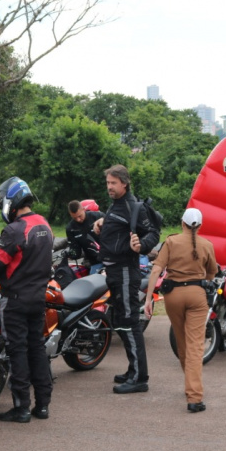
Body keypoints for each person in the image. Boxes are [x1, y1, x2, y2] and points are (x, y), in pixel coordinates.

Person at [0, 177, 54, 423]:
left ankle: (21, 407)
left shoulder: (14, 230)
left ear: (11, 201)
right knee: (37, 349)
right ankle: (42, 405)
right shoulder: (44, 223)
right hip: (38, 298)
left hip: (15, 300)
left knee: (17, 352)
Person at [93, 165, 160, 394]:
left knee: (129, 322)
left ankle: (140, 378)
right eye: (108, 183)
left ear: (124, 183)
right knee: (120, 322)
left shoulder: (133, 206)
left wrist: (142, 246)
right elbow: (118, 229)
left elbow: (153, 233)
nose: (109, 187)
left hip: (125, 271)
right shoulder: (116, 204)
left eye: (113, 183)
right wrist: (101, 224)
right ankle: (133, 370)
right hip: (112, 270)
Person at [144, 208, 216, 412]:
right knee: (195, 346)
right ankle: (194, 396)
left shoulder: (171, 241)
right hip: (197, 295)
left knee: (182, 341)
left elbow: (156, 270)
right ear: (200, 226)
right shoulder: (207, 245)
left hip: (173, 296)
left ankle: (189, 383)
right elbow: (211, 273)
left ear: (182, 223)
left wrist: (148, 299)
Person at [66, 199, 105, 274]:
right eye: (75, 218)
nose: (78, 219)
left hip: (111, 258)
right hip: (95, 262)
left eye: (80, 216)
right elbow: (75, 251)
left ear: (83, 209)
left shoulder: (98, 216)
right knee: (94, 280)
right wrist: (71, 253)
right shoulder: (70, 228)